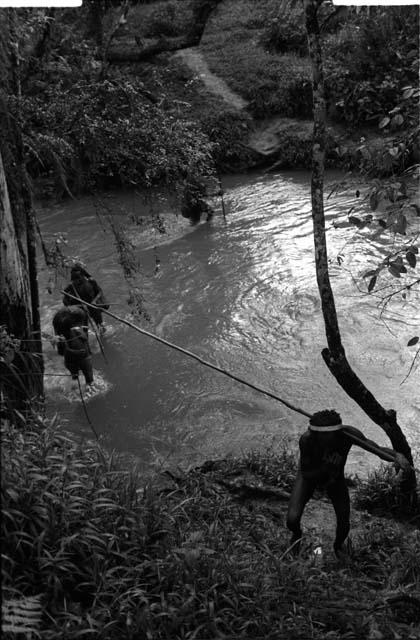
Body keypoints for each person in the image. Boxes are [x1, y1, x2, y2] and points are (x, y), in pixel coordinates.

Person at [286, 409, 412, 557]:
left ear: (336, 432)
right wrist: (325, 468)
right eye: (319, 435)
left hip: (335, 477)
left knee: (344, 522)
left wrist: (397, 456)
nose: (321, 438)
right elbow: (307, 473)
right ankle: (296, 534)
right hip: (309, 476)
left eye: (326, 435)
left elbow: (377, 449)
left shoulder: (348, 435)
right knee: (292, 519)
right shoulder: (307, 439)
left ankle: (338, 546)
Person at [52, 305, 93, 386]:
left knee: (75, 377)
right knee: (88, 379)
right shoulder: (68, 336)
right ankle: (87, 385)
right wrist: (77, 352)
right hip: (81, 357)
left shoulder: (62, 334)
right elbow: (64, 351)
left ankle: (79, 384)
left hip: (71, 360)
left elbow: (61, 352)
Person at [63, 264, 108, 333]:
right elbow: (64, 297)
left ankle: (103, 337)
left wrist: (95, 301)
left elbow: (99, 292)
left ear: (82, 275)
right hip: (82, 310)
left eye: (78, 278)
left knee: (101, 327)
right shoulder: (72, 286)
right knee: (84, 329)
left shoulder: (91, 282)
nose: (77, 281)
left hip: (93, 306)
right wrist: (75, 306)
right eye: (75, 279)